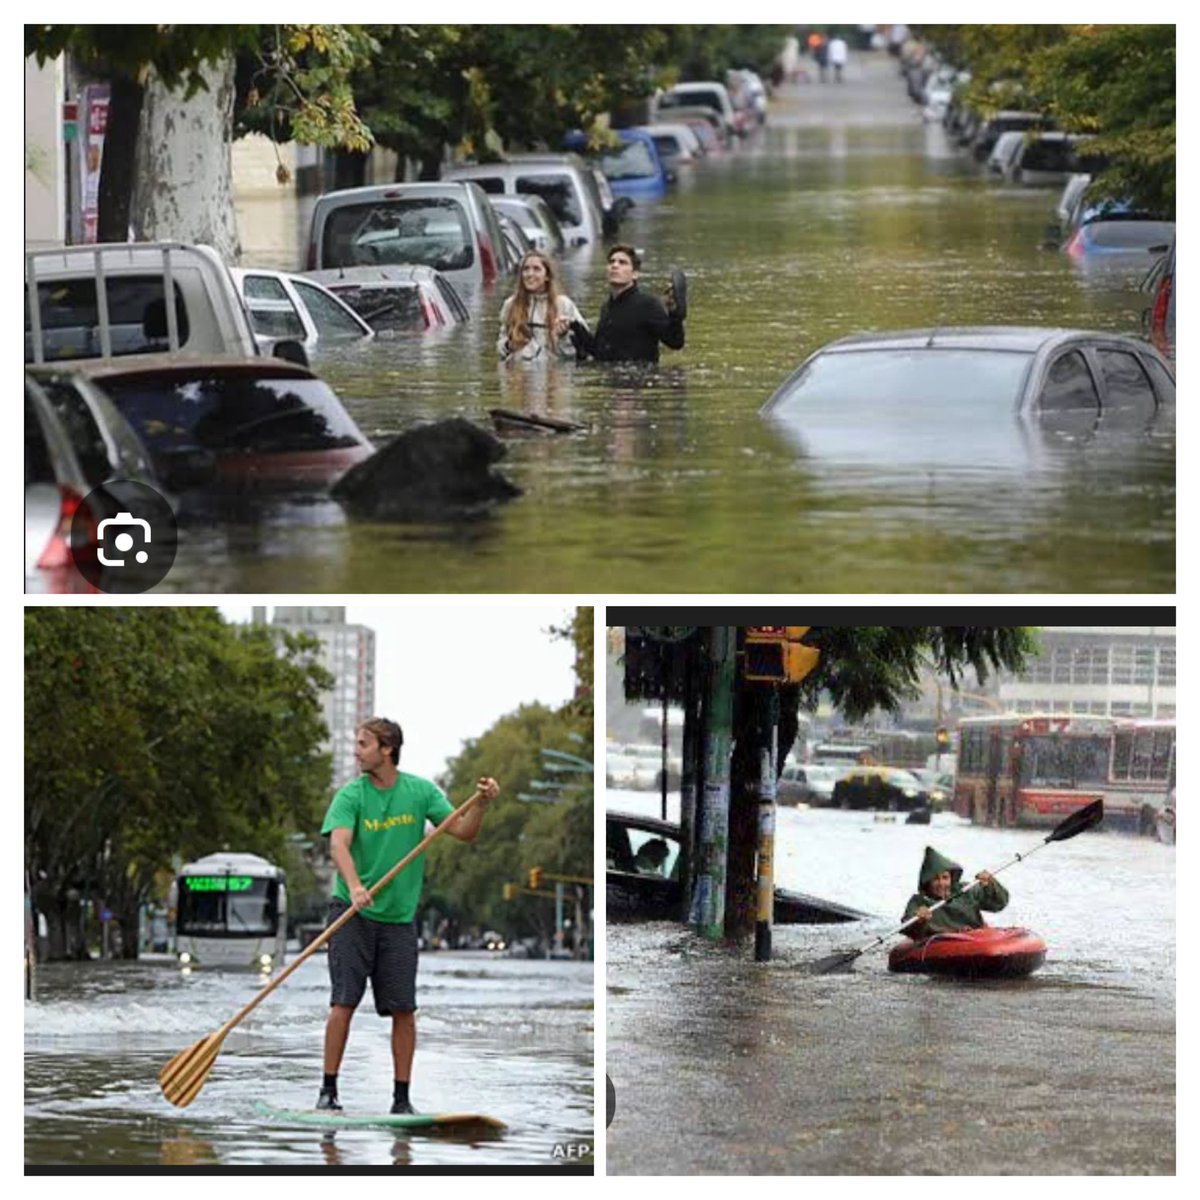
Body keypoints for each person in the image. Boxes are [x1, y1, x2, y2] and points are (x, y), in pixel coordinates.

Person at [317, 717, 500, 1114]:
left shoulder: (420, 792)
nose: (356, 751)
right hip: (351, 913)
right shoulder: (350, 796)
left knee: (404, 1010)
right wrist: (356, 887)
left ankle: (401, 1099)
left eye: (363, 744)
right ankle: (328, 1092)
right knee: (343, 1002)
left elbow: (465, 831)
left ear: (387, 749)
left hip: (398, 920)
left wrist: (482, 805)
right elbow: (338, 847)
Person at [570, 244, 685, 365]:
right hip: (610, 373)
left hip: (638, 374)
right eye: (611, 262)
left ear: (635, 274)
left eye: (622, 262)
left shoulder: (647, 304)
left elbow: (675, 342)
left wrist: (676, 314)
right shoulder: (606, 307)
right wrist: (575, 327)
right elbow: (600, 352)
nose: (615, 265)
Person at [497, 251, 587, 363]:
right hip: (520, 370)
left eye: (536, 269)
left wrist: (563, 336)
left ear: (547, 276)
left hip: (554, 369)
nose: (530, 274)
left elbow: (584, 346)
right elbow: (501, 347)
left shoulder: (563, 304)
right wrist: (509, 345)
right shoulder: (510, 304)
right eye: (526, 269)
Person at [901, 846, 1008, 939]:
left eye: (945, 878)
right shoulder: (919, 901)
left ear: (951, 879)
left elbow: (999, 904)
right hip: (942, 944)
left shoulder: (966, 890)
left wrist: (991, 884)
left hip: (977, 938)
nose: (941, 883)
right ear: (928, 882)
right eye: (936, 879)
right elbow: (908, 928)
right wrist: (920, 921)